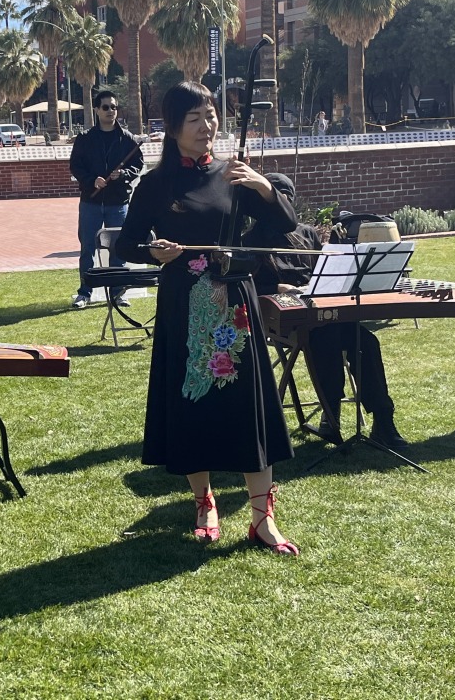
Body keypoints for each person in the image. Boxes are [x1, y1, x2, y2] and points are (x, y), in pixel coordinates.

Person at [115, 82, 299, 555]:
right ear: (173, 127)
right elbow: (127, 243)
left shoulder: (235, 173)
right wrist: (155, 253)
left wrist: (262, 186)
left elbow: (285, 225)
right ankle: (204, 502)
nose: (206, 126)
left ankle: (263, 519)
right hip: (184, 305)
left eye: (211, 115)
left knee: (248, 410)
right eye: (194, 118)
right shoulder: (157, 185)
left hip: (234, 306)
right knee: (193, 403)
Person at [245, 174, 408, 451]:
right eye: (276, 196)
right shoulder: (249, 239)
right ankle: (330, 414)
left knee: (366, 342)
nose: (282, 201)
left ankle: (384, 420)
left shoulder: (305, 233)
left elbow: (325, 269)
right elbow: (247, 286)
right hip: (287, 318)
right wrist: (278, 286)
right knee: (326, 341)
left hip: (326, 308)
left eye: (287, 196)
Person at [69, 90, 144, 309]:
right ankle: (85, 292)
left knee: (119, 247)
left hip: (118, 202)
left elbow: (137, 165)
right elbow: (75, 165)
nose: (111, 111)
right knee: (87, 248)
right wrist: (92, 180)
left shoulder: (128, 138)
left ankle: (118, 293)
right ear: (96, 110)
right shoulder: (85, 139)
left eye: (114, 107)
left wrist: (123, 175)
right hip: (90, 203)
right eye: (106, 107)